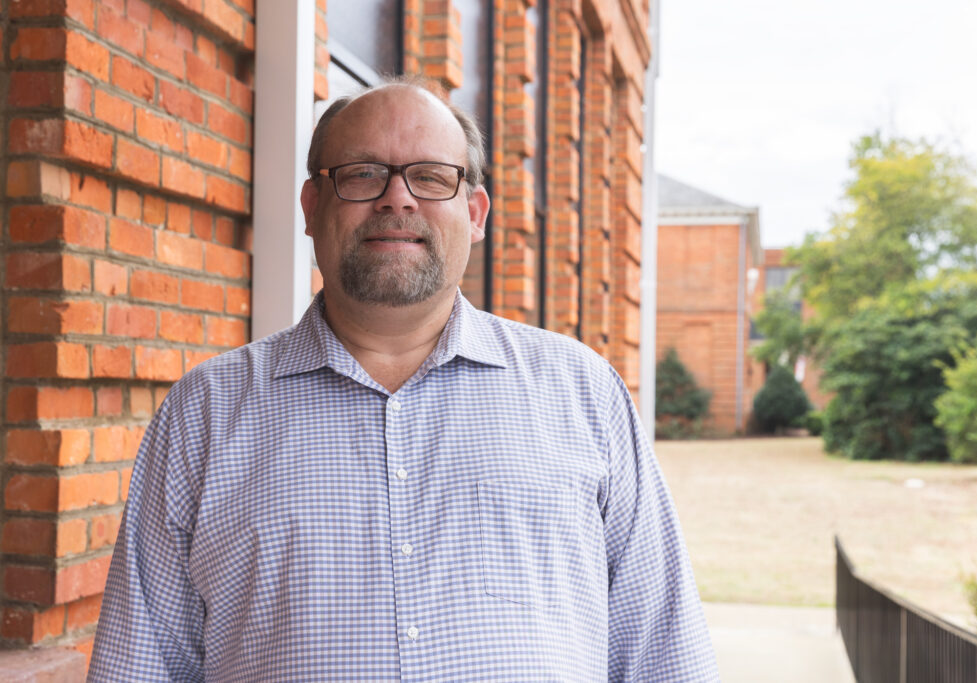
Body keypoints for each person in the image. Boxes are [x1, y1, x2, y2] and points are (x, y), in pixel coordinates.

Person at [89, 76, 719, 682]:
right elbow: (141, 665)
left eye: (430, 176)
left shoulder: (582, 393)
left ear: (474, 212)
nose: (398, 198)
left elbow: (662, 651)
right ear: (312, 207)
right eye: (362, 174)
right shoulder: (205, 413)